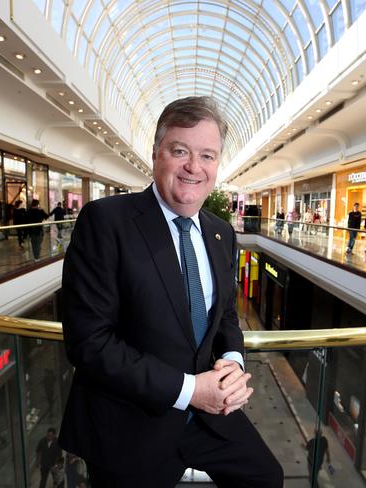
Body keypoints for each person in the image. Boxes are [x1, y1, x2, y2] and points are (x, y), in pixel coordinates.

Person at [60, 96, 283, 487]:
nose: (194, 167)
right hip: (131, 421)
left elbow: (226, 314)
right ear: (156, 154)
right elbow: (89, 343)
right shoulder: (106, 222)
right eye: (180, 151)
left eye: (208, 156)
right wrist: (190, 390)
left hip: (206, 415)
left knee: (266, 477)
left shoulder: (221, 232)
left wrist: (233, 363)